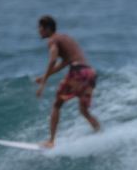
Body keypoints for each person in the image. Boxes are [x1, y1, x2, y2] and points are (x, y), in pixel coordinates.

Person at [35, 15, 101, 148]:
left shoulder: (53, 40)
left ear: (47, 29)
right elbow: (64, 62)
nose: (38, 31)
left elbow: (53, 60)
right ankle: (101, 134)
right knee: (84, 110)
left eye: (40, 28)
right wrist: (45, 76)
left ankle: (51, 141)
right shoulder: (64, 38)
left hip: (78, 72)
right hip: (89, 72)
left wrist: (43, 83)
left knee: (57, 104)